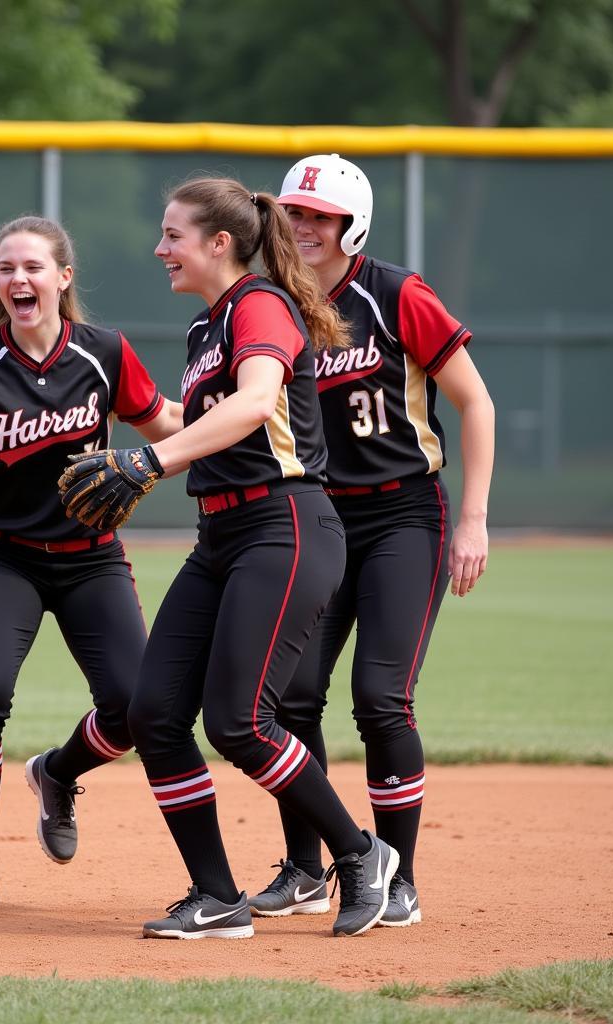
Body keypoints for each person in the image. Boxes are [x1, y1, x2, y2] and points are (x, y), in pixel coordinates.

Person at [61, 177, 399, 939]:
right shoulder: (203, 327)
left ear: (221, 242)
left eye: (173, 234)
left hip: (285, 529)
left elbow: (254, 402)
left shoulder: (261, 305)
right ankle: (217, 896)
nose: (159, 247)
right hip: (220, 538)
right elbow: (205, 418)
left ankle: (358, 855)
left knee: (242, 722)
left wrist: (150, 462)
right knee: (154, 713)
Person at [248, 154, 494, 927]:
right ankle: (304, 868)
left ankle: (402, 878)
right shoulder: (271, 303)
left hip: (403, 516)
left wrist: (475, 519)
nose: (302, 227)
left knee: (380, 697)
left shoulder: (394, 294)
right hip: (319, 519)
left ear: (351, 222)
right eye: (291, 213)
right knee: (288, 699)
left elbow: (475, 402)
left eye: (317, 215)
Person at [0, 215, 184, 916]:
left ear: (63, 278)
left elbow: (166, 427)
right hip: (7, 558)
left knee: (136, 707)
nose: (18, 280)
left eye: (33, 267)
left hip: (93, 559)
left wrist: (251, 413)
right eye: (7, 268)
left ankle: (58, 773)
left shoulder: (104, 353)